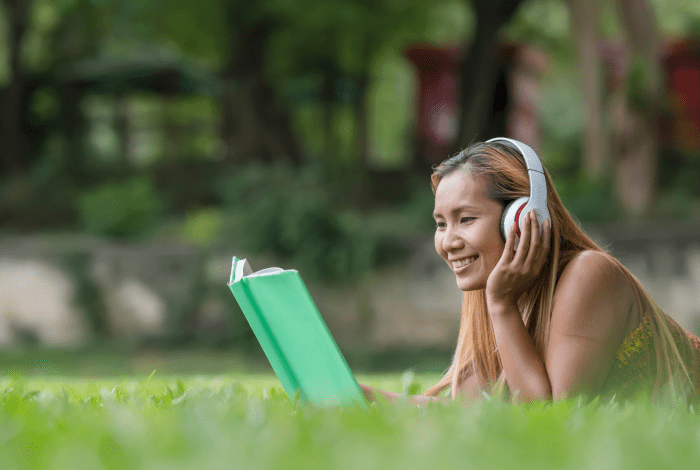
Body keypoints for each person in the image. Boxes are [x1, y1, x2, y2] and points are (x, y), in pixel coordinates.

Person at [359, 138, 700, 406]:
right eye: (440, 224)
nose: (448, 242)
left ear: (522, 219)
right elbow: (459, 411)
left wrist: (501, 305)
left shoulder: (589, 274)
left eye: (466, 219)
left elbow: (551, 416)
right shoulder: (495, 298)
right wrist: (354, 394)